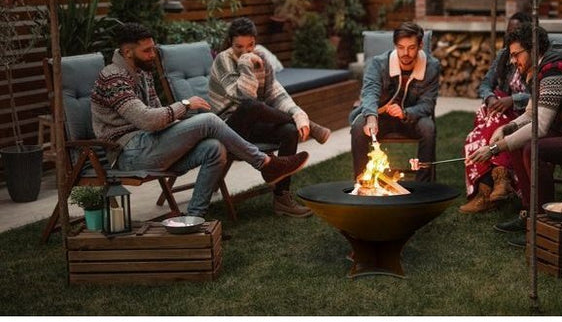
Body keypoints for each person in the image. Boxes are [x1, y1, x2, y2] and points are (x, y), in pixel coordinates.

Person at [91, 23, 309, 219]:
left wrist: (185, 127)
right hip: (129, 153)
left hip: (151, 144)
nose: (152, 55)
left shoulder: (142, 72)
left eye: (153, 49)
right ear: (128, 52)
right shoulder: (113, 77)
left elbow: (157, 113)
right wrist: (185, 105)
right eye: (146, 51)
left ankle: (194, 219)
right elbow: (147, 120)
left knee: (214, 148)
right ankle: (265, 164)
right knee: (209, 121)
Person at [466, 23, 562, 244]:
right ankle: (529, 214)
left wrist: (494, 149)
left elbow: (539, 126)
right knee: (518, 144)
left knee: (534, 149)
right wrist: (505, 129)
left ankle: (543, 225)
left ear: (533, 49)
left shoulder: (555, 72)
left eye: (516, 54)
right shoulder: (541, 70)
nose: (512, 61)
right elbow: (530, 114)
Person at [208, 16, 331, 218]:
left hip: (252, 124)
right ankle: (311, 126)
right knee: (252, 105)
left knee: (290, 131)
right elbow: (244, 96)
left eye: (250, 45)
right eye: (239, 47)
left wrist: (297, 113)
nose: (245, 51)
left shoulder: (261, 58)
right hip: (227, 127)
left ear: (255, 42)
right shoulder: (223, 59)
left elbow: (275, 93)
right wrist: (246, 63)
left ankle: (282, 198)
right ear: (230, 42)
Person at [349, 21, 440, 182]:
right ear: (395, 45)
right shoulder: (378, 63)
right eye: (401, 47)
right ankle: (363, 182)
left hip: (411, 118)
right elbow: (369, 93)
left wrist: (405, 113)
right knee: (358, 128)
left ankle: (424, 185)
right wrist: (371, 118)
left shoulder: (432, 67)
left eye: (411, 48)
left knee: (428, 128)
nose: (405, 53)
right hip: (381, 116)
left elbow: (428, 104)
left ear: (420, 46)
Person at [460, 11, 532, 214]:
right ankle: (496, 183)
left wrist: (513, 100)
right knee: (481, 126)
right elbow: (485, 84)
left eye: (516, 31)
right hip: (501, 110)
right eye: (509, 31)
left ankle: (489, 188)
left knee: (481, 132)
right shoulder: (504, 55)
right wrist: (491, 98)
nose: (511, 35)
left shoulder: (536, 60)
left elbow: (539, 96)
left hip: (523, 114)